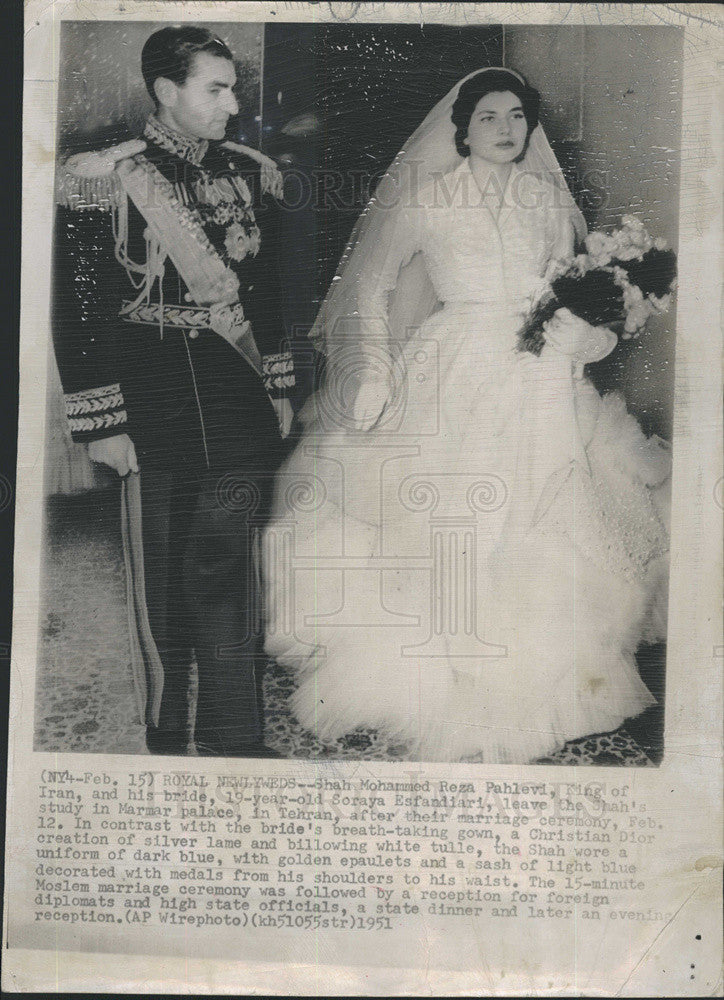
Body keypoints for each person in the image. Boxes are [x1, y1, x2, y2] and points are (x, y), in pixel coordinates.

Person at [263, 68, 671, 764]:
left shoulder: (547, 200)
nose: (507, 128)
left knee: (548, 509)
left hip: (539, 372)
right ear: (464, 128)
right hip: (450, 365)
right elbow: (369, 285)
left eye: (517, 115)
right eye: (489, 116)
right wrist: (373, 368)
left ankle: (554, 667)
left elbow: (567, 288)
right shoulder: (428, 198)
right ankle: (445, 662)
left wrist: (589, 337)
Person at [52, 26, 295, 757]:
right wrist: (101, 419)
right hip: (152, 402)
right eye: (215, 89)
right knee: (162, 574)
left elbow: (273, 291)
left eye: (234, 88)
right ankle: (167, 733)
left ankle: (232, 738)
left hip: (237, 400)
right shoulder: (107, 176)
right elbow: (81, 302)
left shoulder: (251, 173)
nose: (233, 104)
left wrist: (277, 386)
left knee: (225, 567)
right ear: (166, 92)